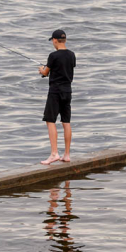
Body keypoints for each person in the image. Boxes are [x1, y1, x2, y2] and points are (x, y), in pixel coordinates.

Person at [39, 29, 76, 165]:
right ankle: (66, 154)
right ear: (64, 40)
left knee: (50, 121)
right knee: (66, 122)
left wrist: (41, 70)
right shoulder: (72, 55)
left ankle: (54, 153)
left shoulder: (53, 56)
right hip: (68, 91)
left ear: (54, 40)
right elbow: (66, 69)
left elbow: (45, 72)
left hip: (55, 92)